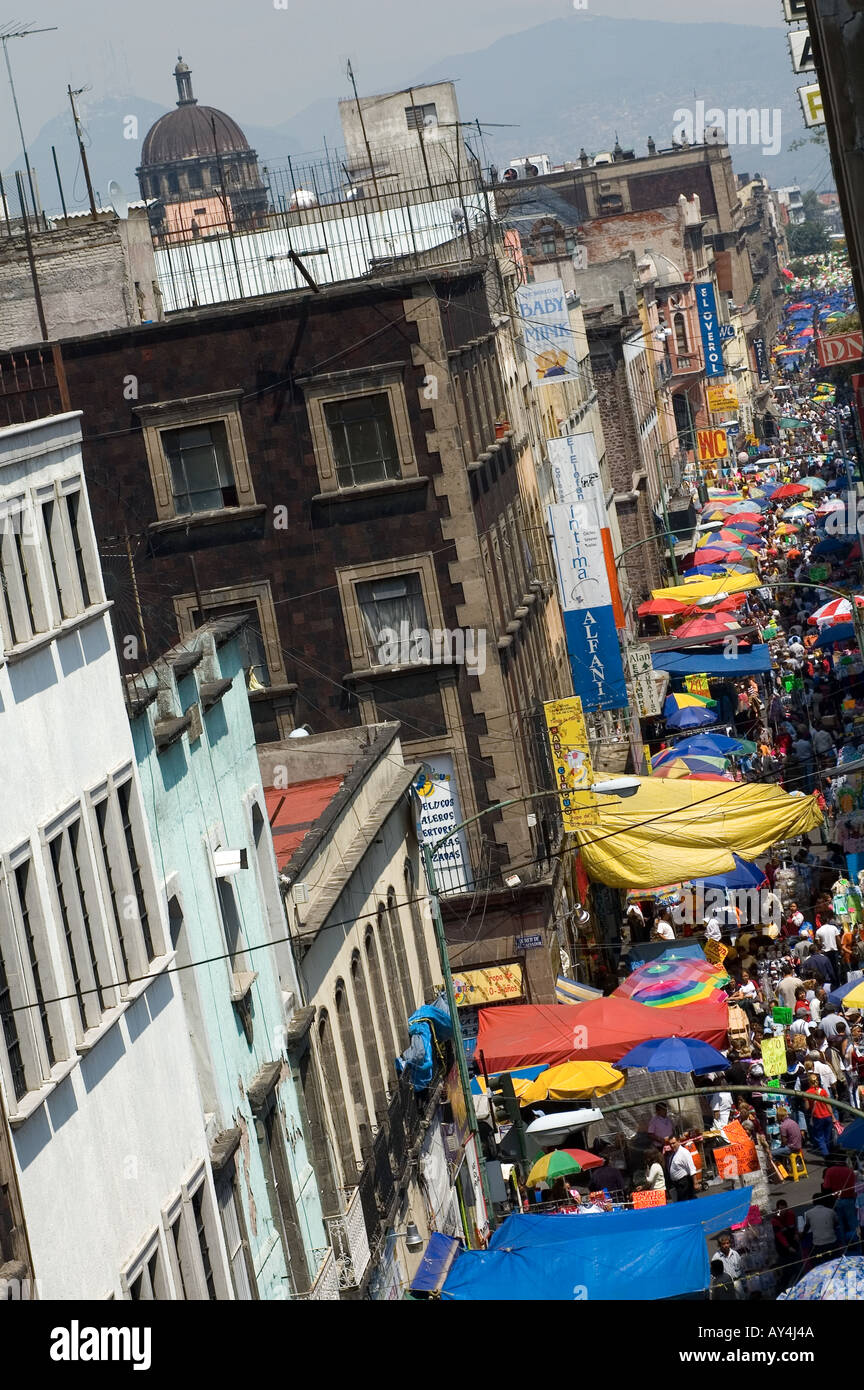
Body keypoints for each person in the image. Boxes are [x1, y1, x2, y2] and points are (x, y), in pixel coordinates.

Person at [821, 1156, 859, 1246]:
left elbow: (826, 1187)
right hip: (849, 1200)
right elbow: (855, 1187)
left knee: (840, 1225)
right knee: (853, 1224)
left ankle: (843, 1247)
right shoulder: (850, 1171)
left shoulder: (830, 1171)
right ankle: (858, 1245)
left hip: (836, 1200)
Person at [771, 1199, 801, 1290]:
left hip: (793, 1243)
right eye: (781, 1209)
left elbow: (795, 1226)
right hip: (782, 1247)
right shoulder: (775, 1220)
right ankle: (783, 1287)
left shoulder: (791, 1214)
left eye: (784, 1208)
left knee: (797, 1266)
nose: (783, 1211)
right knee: (787, 1269)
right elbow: (780, 1236)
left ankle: (796, 1285)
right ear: (777, 1209)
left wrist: (796, 1234)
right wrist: (788, 1247)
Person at [803, 1195, 839, 1267]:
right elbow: (836, 1223)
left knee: (818, 1263)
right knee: (834, 1263)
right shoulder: (831, 1211)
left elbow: (807, 1227)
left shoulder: (808, 1213)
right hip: (832, 1242)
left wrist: (802, 1234)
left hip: (818, 1245)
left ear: (813, 1202)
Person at [805, 1073, 835, 1158]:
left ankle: (826, 1154)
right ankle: (829, 1151)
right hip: (827, 1116)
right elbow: (828, 1105)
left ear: (809, 1082)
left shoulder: (807, 1093)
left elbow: (807, 1107)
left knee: (819, 1136)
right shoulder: (823, 1091)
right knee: (827, 1136)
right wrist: (833, 1116)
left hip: (817, 1117)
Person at [666, 1135, 697, 1201]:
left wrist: (695, 1183)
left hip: (684, 1183)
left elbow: (692, 1168)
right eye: (670, 1144)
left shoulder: (684, 1152)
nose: (672, 1145)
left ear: (679, 1141)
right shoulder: (674, 1153)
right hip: (677, 1184)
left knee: (687, 1201)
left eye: (673, 1143)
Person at [715, 1231, 744, 1295]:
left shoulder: (735, 1254)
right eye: (723, 1244)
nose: (726, 1245)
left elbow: (741, 1268)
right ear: (720, 1245)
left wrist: (744, 1283)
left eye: (727, 1243)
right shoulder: (716, 1257)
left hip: (737, 1281)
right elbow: (714, 1275)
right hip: (725, 1285)